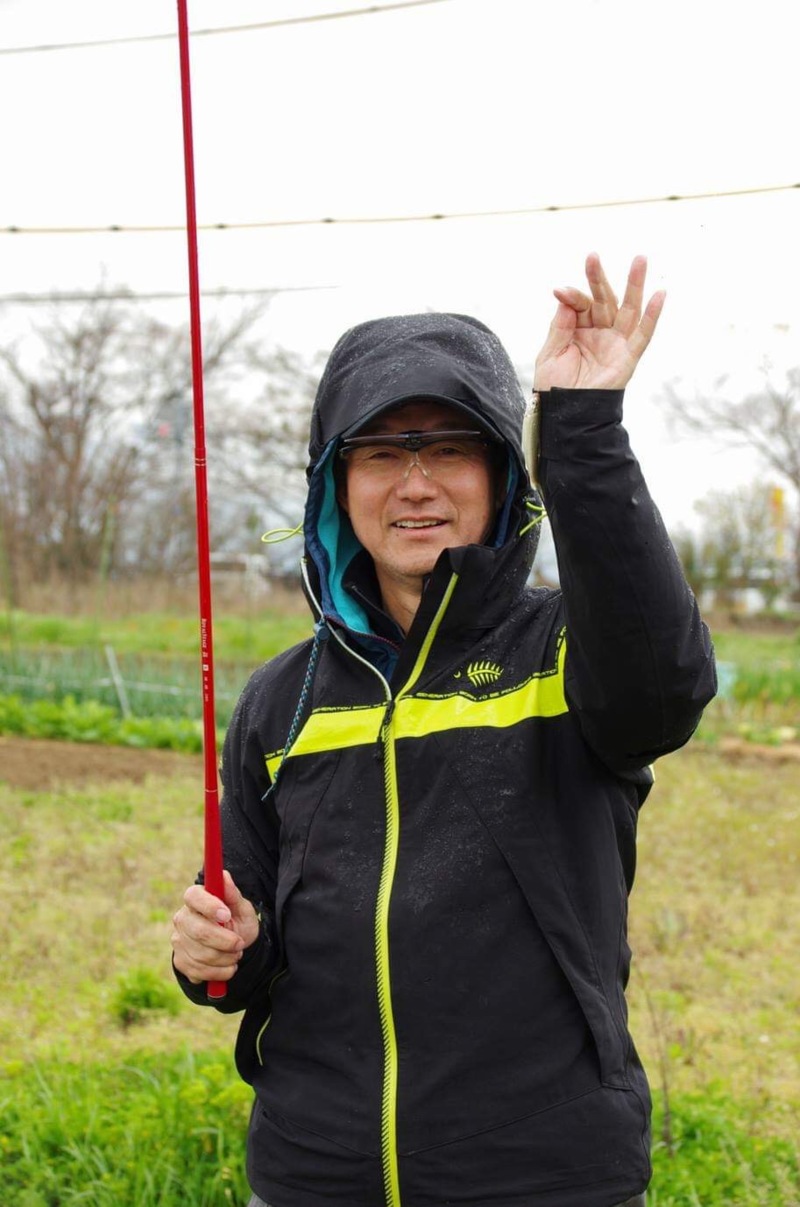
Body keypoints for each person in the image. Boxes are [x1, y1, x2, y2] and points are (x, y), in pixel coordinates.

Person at [172, 254, 717, 1207]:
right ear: (336, 487)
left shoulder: (565, 652)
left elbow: (664, 692)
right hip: (311, 1173)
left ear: (501, 475)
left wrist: (581, 432)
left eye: (448, 448)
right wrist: (214, 953)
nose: (414, 482)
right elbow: (248, 939)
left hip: (542, 1177)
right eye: (380, 452)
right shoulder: (279, 699)